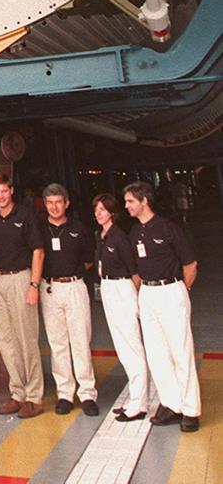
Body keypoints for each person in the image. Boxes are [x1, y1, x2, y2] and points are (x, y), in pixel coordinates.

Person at [124, 181, 200, 432]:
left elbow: (190, 265)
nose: (127, 206)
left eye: (130, 201)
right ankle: (171, 404)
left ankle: (190, 410)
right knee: (157, 353)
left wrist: (180, 291)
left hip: (171, 291)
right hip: (148, 293)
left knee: (180, 351)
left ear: (144, 201)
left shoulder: (169, 228)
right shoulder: (135, 232)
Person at [0, 174, 45, 419]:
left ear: (11, 191)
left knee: (26, 339)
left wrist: (33, 285)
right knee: (6, 341)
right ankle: (17, 393)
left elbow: (38, 251)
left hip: (21, 279)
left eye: (4, 191)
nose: (0, 196)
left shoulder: (25, 216)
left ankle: (34, 397)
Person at [39, 184, 98, 417]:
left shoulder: (79, 228)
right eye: (50, 203)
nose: (54, 207)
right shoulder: (40, 229)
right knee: (57, 343)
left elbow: (89, 260)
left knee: (81, 340)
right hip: (50, 288)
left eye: (58, 202)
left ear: (66, 203)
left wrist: (71, 273)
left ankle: (87, 393)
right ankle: (64, 393)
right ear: (45, 205)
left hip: (74, 286)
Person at [93, 193, 150, 423]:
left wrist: (134, 299)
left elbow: (134, 272)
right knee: (122, 346)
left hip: (122, 288)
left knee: (132, 345)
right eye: (96, 209)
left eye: (103, 209)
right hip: (107, 287)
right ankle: (135, 397)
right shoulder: (101, 236)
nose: (98, 213)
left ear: (112, 212)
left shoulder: (120, 237)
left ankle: (139, 404)